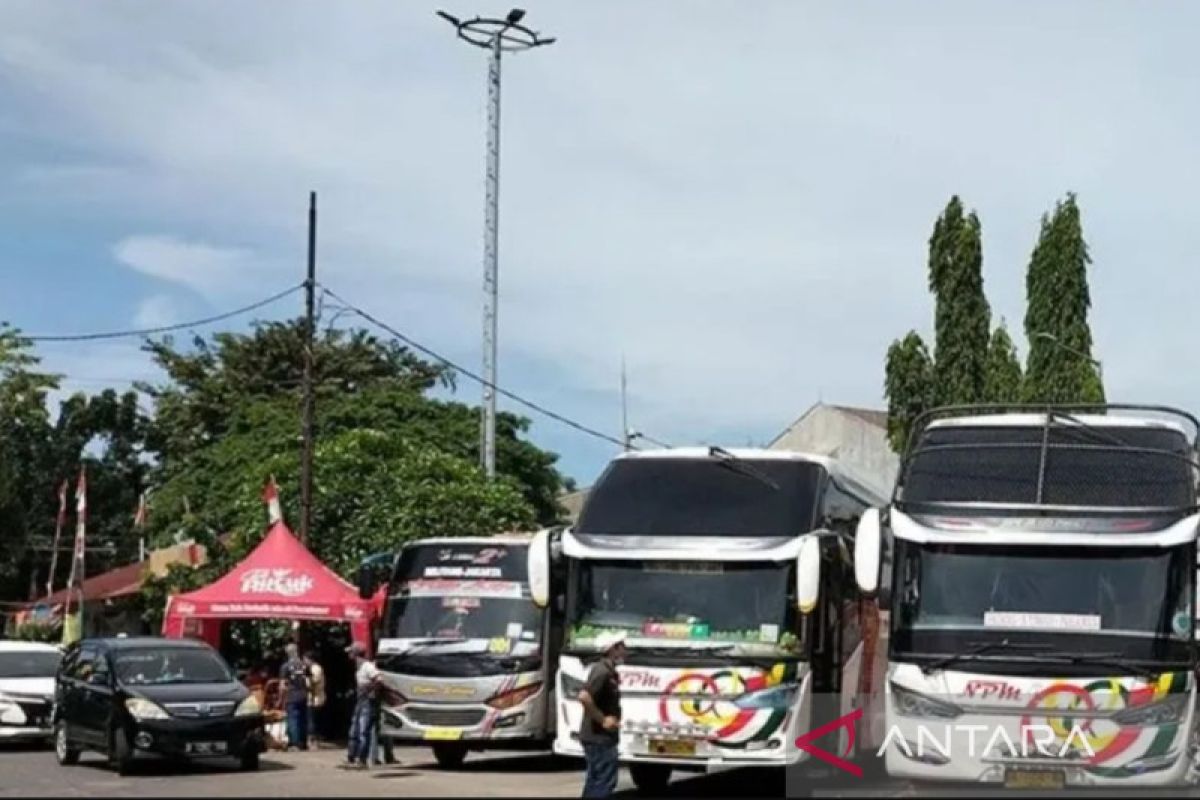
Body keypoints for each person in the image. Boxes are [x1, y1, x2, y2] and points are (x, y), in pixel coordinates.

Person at [577, 631, 627, 798]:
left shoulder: (609, 671)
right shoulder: (602, 671)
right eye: (622, 647)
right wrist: (603, 719)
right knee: (604, 782)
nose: (625, 650)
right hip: (598, 738)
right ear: (613, 649)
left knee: (596, 781)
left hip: (602, 738)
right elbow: (584, 696)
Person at [342, 642, 380, 770]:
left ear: (356, 653)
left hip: (367, 701)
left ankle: (362, 760)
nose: (349, 654)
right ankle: (351, 758)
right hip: (360, 700)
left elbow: (379, 679)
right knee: (354, 730)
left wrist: (368, 689)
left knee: (363, 731)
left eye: (351, 652)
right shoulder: (358, 667)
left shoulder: (368, 666)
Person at [280, 643, 310, 751]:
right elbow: (309, 680)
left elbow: (283, 685)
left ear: (287, 653)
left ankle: (294, 744)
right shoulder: (304, 665)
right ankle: (303, 742)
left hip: (292, 696)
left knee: (293, 719)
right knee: (303, 719)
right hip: (304, 695)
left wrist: (281, 698)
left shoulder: (285, 667)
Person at [303, 651, 326, 748]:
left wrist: (306, 678)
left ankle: (313, 740)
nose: (304, 661)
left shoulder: (316, 668)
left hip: (315, 698)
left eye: (305, 659)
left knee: (312, 720)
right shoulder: (311, 668)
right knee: (312, 719)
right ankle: (313, 739)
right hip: (312, 697)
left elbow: (313, 682)